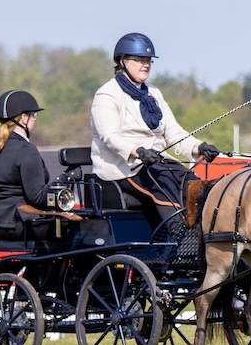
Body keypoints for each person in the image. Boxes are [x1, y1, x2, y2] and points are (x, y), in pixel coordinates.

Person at [90, 32, 221, 225]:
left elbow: (174, 133)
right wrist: (138, 151)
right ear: (123, 61)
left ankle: (202, 232)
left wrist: (199, 147)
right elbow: (109, 136)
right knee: (164, 183)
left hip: (157, 163)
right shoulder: (107, 94)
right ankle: (176, 233)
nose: (146, 64)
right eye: (140, 59)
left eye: (149, 60)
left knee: (193, 183)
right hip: (122, 168)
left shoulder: (154, 94)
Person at [0, 90, 53, 239]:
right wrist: (64, 182)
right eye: (34, 115)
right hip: (23, 223)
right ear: (23, 118)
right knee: (78, 229)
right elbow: (37, 197)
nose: (35, 119)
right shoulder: (27, 150)